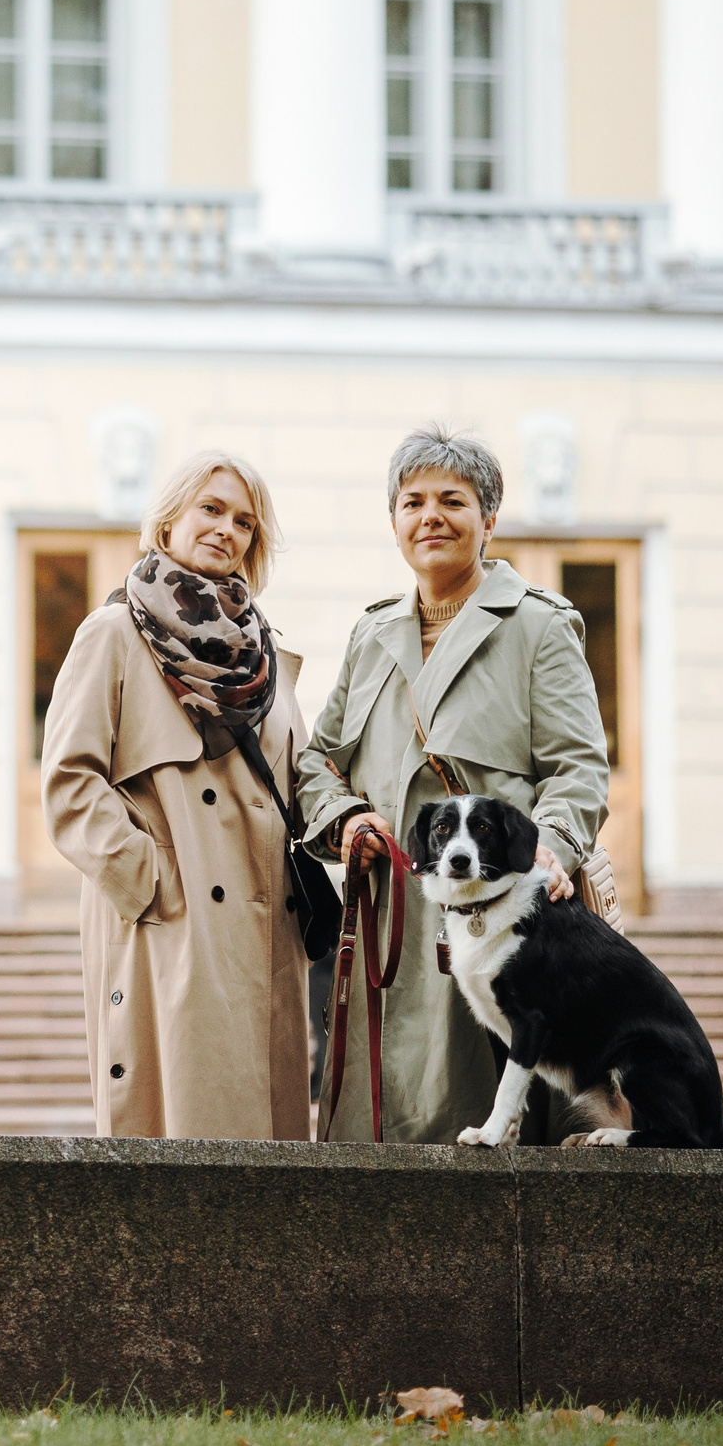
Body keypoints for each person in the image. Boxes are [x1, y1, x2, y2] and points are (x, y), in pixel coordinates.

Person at [295, 424, 610, 1145]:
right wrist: (345, 817)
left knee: (498, 1126)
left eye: (451, 499)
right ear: (395, 522)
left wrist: (551, 846)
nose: (429, 515)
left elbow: (579, 764)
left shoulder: (537, 625)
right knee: (392, 1125)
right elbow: (318, 759)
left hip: (504, 916)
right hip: (394, 921)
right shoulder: (370, 635)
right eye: (412, 502)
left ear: (488, 518)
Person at [42, 450, 312, 1140]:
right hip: (173, 926)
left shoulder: (264, 653)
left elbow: (301, 781)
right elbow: (71, 782)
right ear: (170, 519)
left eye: (245, 522)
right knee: (179, 1138)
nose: (227, 529)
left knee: (265, 1155)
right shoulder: (114, 633)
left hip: (263, 932)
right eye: (211, 509)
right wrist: (150, 879)